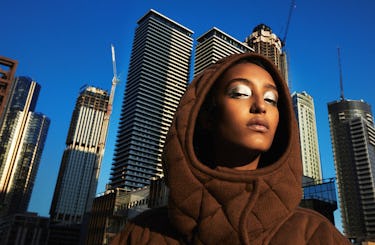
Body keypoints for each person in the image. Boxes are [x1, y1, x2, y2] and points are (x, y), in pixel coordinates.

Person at [110, 53, 350, 244]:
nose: (260, 106)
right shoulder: (141, 234)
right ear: (206, 116)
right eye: (240, 93)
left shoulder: (316, 235)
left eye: (271, 99)